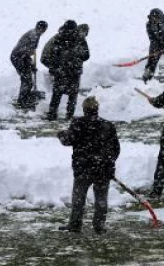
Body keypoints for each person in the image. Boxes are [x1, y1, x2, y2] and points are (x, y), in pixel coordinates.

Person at [58, 96, 120, 234]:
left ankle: (75, 224)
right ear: (97, 109)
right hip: (103, 169)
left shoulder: (78, 123)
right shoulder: (108, 125)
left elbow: (68, 140)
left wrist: (61, 134)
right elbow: (116, 148)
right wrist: (108, 163)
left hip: (83, 168)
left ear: (84, 109)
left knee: (78, 199)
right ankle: (99, 225)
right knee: (101, 199)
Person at [45, 20, 90, 120]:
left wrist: (56, 67)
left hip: (61, 72)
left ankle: (52, 115)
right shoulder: (79, 39)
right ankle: (69, 116)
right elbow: (86, 56)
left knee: (57, 94)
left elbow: (50, 55)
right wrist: (77, 58)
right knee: (72, 96)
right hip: (73, 72)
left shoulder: (58, 38)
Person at [11, 20, 48, 109]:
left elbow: (29, 51)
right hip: (18, 57)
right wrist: (30, 64)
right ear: (39, 28)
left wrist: (30, 64)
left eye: (44, 29)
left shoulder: (36, 34)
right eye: (42, 29)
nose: (43, 31)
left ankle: (25, 98)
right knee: (26, 80)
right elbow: (23, 51)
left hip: (22, 57)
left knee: (27, 80)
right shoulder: (33, 35)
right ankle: (22, 102)